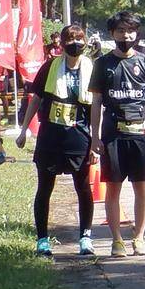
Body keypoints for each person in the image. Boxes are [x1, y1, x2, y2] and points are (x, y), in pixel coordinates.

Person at [91, 10, 145, 256]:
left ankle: (139, 238)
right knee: (113, 188)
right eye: (121, 30)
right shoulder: (102, 64)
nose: (126, 35)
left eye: (130, 30)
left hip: (140, 134)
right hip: (112, 134)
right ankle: (116, 240)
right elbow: (96, 101)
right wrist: (94, 135)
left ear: (137, 33)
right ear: (112, 33)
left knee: (141, 186)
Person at [18, 22, 97, 258]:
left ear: (86, 42)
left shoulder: (92, 68)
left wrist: (96, 140)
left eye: (79, 39)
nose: (75, 44)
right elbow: (36, 99)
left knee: (83, 187)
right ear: (61, 44)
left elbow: (97, 107)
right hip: (51, 135)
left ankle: (85, 237)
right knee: (45, 187)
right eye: (70, 40)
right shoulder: (50, 67)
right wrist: (23, 130)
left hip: (79, 135)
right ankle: (42, 240)